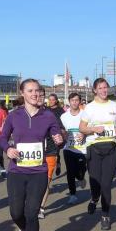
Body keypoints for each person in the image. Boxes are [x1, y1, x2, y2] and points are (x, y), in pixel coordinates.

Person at [0, 79, 63, 231]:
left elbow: (58, 138)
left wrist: (60, 140)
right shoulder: (14, 115)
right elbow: (2, 138)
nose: (35, 94)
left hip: (38, 171)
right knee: (16, 212)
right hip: (17, 171)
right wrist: (8, 149)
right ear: (22, 93)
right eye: (30, 90)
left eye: (37, 90)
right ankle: (23, 229)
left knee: (32, 212)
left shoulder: (48, 116)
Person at [79, 78, 116, 231]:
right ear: (95, 90)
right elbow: (82, 128)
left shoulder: (115, 106)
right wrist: (93, 129)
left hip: (111, 148)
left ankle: (105, 215)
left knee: (106, 184)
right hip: (94, 148)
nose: (103, 90)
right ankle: (94, 198)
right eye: (100, 88)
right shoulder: (89, 108)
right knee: (95, 182)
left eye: (105, 87)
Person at [39, 89, 66, 218]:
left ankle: (41, 208)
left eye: (41, 96)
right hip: (35, 152)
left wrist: (60, 136)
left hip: (50, 150)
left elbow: (61, 129)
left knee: (46, 181)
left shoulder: (53, 114)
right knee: (35, 181)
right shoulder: (28, 113)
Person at [60, 92, 87, 204]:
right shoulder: (64, 116)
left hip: (82, 149)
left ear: (79, 101)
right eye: (72, 100)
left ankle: (81, 178)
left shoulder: (85, 114)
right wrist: (63, 134)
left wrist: (84, 133)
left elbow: (90, 128)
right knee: (70, 172)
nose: (74, 102)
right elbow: (61, 129)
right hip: (69, 148)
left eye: (76, 100)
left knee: (80, 172)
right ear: (69, 102)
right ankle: (72, 194)